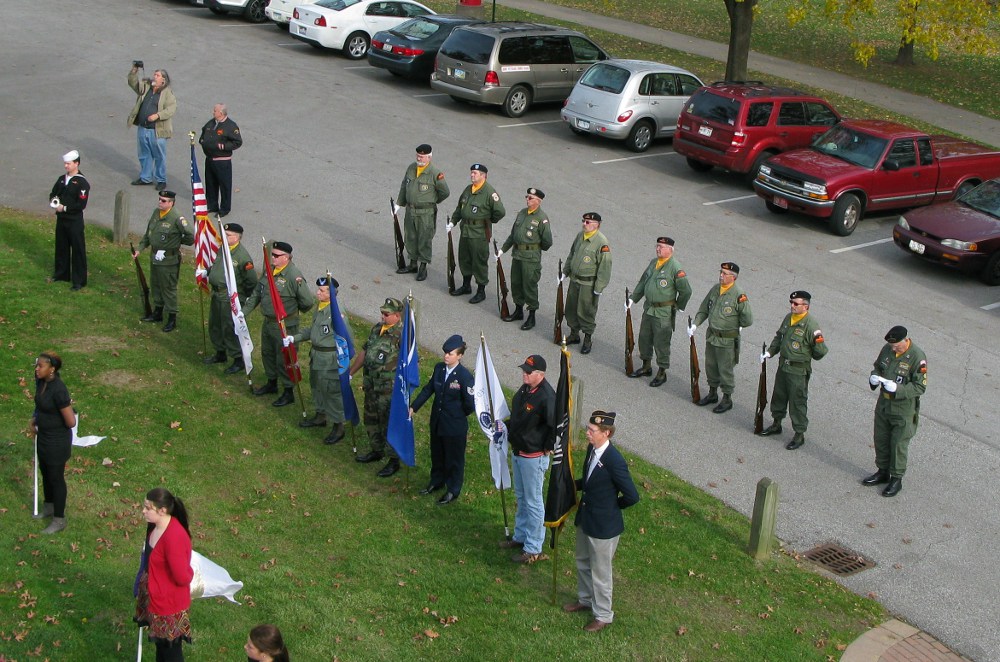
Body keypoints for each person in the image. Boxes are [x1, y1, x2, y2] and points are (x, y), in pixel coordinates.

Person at [563, 410, 640, 632]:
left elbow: (632, 496)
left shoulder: (614, 461)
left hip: (603, 527)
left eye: (592, 430)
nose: (587, 433)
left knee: (601, 572)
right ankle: (585, 599)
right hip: (586, 519)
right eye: (588, 429)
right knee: (582, 561)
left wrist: (612, 508)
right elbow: (589, 482)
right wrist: (571, 484)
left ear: (606, 433)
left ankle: (603, 614)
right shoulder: (592, 449)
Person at [243, 242, 315, 407]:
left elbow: (307, 302)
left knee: (284, 358)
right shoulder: (270, 271)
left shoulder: (293, 276)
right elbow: (257, 293)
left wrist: (292, 313)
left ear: (286, 257)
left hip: (285, 324)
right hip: (268, 322)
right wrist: (244, 312)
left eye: (276, 255)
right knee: (267, 353)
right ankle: (271, 383)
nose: (272, 257)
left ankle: (288, 391)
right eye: (272, 254)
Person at [409, 334, 476, 505]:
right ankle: (436, 481)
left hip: (454, 426)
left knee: (454, 459)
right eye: (445, 353)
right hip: (438, 422)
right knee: (437, 454)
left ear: (459, 356)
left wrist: (456, 415)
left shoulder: (464, 377)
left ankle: (453, 489)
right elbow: (428, 389)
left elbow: (470, 404)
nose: (446, 356)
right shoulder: (439, 369)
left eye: (451, 354)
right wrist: (414, 407)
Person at [758, 291, 829, 450]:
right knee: (779, 396)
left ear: (806, 306)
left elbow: (821, 351)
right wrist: (770, 352)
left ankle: (799, 434)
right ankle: (776, 424)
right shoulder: (788, 318)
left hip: (798, 371)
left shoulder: (811, 325)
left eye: (796, 304)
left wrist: (807, 355)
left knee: (797, 402)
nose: (792, 306)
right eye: (791, 302)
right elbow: (779, 337)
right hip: (783, 366)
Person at [501, 354, 555, 563]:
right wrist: (504, 426)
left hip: (533, 456)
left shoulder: (547, 397)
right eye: (524, 370)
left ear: (540, 375)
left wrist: (547, 448)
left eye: (528, 372)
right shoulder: (525, 390)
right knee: (522, 497)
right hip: (519, 451)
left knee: (534, 503)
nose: (524, 374)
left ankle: (533, 548)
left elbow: (555, 425)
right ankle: (521, 536)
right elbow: (518, 417)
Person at [863, 325, 928, 497]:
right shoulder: (887, 349)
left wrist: (898, 389)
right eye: (891, 345)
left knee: (898, 444)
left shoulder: (917, 357)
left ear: (905, 340)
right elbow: (878, 366)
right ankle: (882, 471)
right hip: (884, 405)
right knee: (881, 439)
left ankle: (896, 479)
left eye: (896, 345)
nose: (893, 348)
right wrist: (874, 377)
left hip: (903, 410)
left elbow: (920, 386)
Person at [134, 487, 193, 662]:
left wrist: (192, 574)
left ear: (162, 510)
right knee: (161, 648)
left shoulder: (174, 537)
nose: (143, 511)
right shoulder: (154, 526)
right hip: (155, 597)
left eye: (148, 508)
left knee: (171, 653)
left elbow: (182, 577)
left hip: (169, 606)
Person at [286, 276, 347, 445]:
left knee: (331, 391)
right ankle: (321, 416)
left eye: (322, 291)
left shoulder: (336, 313)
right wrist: (294, 338)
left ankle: (338, 426)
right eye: (318, 289)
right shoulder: (321, 307)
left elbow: (345, 338)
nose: (317, 293)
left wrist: (344, 363)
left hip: (329, 358)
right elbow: (313, 330)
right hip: (317, 355)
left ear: (332, 294)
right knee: (317, 387)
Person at [349, 297, 404, 477]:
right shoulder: (376, 329)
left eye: (386, 314)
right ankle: (376, 449)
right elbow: (365, 351)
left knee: (388, 423)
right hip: (372, 384)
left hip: (388, 388)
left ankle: (393, 459)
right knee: (371, 419)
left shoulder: (402, 335)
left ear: (397, 316)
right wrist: (351, 372)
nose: (382, 316)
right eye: (382, 312)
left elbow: (410, 364)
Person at [689, 262, 753, 413]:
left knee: (725, 369)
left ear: (733, 277)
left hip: (727, 339)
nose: (721, 276)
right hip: (712, 336)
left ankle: (727, 398)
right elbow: (704, 308)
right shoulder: (715, 289)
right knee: (711, 365)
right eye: (721, 272)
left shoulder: (739, 295)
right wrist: (695, 324)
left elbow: (748, 319)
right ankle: (712, 393)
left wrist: (738, 326)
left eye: (725, 274)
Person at [627, 237, 692, 387]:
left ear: (670, 250)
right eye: (657, 246)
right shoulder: (653, 263)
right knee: (644, 337)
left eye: (662, 247)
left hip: (663, 312)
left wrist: (679, 306)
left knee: (661, 342)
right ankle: (646, 366)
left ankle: (662, 372)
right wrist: (632, 299)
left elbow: (686, 291)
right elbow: (643, 282)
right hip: (649, 309)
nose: (658, 249)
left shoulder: (676, 268)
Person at [133, 190, 194, 333]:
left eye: (164, 201)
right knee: (155, 285)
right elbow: (149, 233)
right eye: (160, 199)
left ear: (171, 203)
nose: (160, 202)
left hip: (169, 260)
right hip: (155, 257)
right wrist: (140, 248)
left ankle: (172, 318)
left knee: (168, 288)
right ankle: (157, 312)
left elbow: (190, 236)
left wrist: (177, 241)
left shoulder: (177, 218)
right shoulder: (156, 213)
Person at [30, 351, 77, 535]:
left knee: (56, 478)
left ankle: (59, 518)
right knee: (45, 473)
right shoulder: (41, 382)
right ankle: (48, 506)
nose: (37, 369)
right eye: (37, 365)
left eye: (40, 366)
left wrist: (51, 424)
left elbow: (71, 422)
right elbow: (40, 406)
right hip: (43, 437)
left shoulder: (59, 390)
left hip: (57, 442)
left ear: (52, 370)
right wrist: (35, 420)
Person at [203, 222, 257, 373]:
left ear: (238, 237)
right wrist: (208, 272)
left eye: (228, 235)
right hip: (217, 293)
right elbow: (218, 266)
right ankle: (220, 352)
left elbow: (251, 281)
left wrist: (242, 298)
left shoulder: (242, 257)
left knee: (229, 328)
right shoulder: (224, 249)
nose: (225, 237)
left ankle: (238, 358)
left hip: (230, 298)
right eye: (224, 235)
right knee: (215, 324)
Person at [448, 163, 505, 303]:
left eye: (475, 173)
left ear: (483, 176)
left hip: (479, 233)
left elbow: (500, 212)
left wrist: (488, 220)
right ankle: (466, 285)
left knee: (479, 261)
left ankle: (481, 291)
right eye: (471, 172)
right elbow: (459, 207)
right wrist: (453, 222)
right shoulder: (468, 189)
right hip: (466, 230)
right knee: (465, 258)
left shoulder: (489, 192)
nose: (472, 175)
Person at [497, 187, 553, 330]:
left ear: (538, 201)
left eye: (530, 198)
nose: (527, 200)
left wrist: (535, 249)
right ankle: (518, 310)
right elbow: (513, 234)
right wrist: (502, 250)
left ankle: (532, 315)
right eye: (527, 197)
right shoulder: (522, 213)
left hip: (530, 258)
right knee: (516, 283)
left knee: (529, 285)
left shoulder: (542, 218)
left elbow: (547, 241)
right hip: (517, 255)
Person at [394, 143, 449, 281]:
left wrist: (432, 201)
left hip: (426, 212)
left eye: (422, 156)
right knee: (410, 236)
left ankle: (423, 266)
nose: (420, 158)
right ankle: (412, 264)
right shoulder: (411, 168)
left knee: (424, 238)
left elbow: (444, 192)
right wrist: (399, 204)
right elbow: (404, 185)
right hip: (410, 210)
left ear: (429, 157)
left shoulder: (435, 173)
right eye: (418, 155)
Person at [562, 212, 612, 354]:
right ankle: (574, 334)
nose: (584, 224)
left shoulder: (602, 242)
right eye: (583, 221)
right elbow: (572, 254)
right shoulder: (580, 236)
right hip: (574, 279)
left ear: (597, 225)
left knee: (586, 312)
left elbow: (605, 267)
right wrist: (565, 272)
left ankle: (588, 339)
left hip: (588, 284)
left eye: (588, 222)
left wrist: (599, 287)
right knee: (571, 309)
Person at [128, 64, 176, 191]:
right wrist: (134, 71)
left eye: (157, 75)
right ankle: (145, 177)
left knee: (159, 156)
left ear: (163, 80)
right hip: (143, 128)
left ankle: (161, 180)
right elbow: (133, 84)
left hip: (157, 131)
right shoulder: (147, 87)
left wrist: (157, 116)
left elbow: (171, 109)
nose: (154, 76)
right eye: (154, 74)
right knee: (144, 154)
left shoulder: (167, 93)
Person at [49, 150, 90, 291]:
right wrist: (54, 202)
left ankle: (79, 280)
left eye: (68, 163)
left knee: (77, 250)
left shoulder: (82, 182)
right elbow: (53, 193)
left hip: (74, 221)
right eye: (65, 163)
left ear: (76, 163)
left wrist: (64, 208)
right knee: (61, 247)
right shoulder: (61, 179)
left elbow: (81, 204)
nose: (66, 166)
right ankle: (61, 274)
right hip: (62, 220)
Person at [198, 103, 242, 218]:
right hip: (210, 159)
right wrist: (202, 141)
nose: (213, 112)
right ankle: (212, 205)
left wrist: (223, 146)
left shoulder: (230, 126)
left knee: (224, 185)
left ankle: (224, 208)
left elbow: (237, 142)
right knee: (210, 183)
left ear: (221, 113)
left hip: (222, 161)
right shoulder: (211, 123)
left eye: (215, 111)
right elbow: (204, 132)